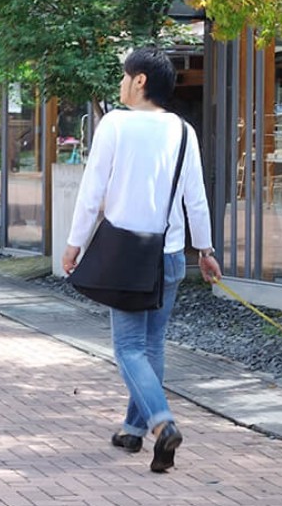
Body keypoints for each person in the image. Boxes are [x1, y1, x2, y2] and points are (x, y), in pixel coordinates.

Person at [62, 47, 220, 474]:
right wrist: (204, 251)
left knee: (128, 348)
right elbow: (196, 198)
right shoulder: (183, 131)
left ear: (140, 81)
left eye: (124, 76)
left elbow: (93, 190)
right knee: (151, 346)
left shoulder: (115, 124)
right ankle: (132, 429)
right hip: (169, 256)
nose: (120, 83)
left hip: (127, 256)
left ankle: (161, 422)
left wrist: (75, 243)